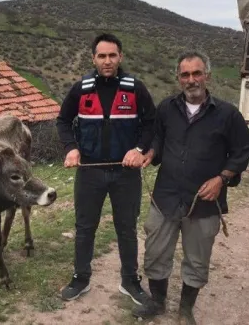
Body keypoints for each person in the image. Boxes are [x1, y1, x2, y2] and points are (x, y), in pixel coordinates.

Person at [133, 51, 249, 324]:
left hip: (204, 201)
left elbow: (242, 150)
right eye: (185, 75)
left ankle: (185, 310)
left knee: (197, 260)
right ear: (178, 79)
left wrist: (222, 179)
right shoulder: (166, 108)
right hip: (165, 196)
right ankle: (158, 302)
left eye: (196, 73)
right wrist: (151, 153)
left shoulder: (227, 114)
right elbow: (158, 141)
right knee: (155, 252)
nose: (191, 80)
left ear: (207, 76)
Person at [55, 33, 157, 306]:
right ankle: (81, 278)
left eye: (112, 55)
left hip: (126, 173)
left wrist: (138, 149)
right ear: (94, 58)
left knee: (126, 227)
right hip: (89, 170)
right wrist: (71, 148)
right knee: (85, 227)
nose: (107, 61)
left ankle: (130, 280)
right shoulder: (81, 88)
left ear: (120, 57)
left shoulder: (135, 88)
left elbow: (151, 124)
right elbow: (63, 120)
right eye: (102, 56)